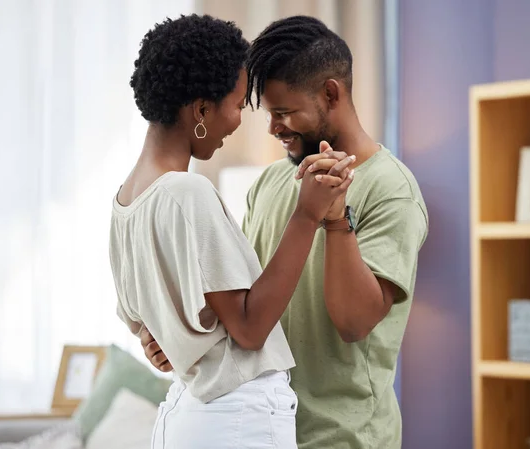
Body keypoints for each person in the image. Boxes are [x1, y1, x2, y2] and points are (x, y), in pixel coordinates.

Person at [141, 15, 429, 449]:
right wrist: (168, 335)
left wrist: (334, 219)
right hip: (263, 430)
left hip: (340, 438)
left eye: (284, 112)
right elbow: (238, 302)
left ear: (331, 93)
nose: (273, 128)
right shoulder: (272, 182)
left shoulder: (392, 190)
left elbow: (354, 323)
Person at [109, 14, 355, 449]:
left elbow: (147, 330)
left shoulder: (125, 202)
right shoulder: (187, 194)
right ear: (201, 110)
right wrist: (307, 214)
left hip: (188, 414)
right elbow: (249, 328)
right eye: (239, 104)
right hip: (236, 418)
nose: (239, 120)